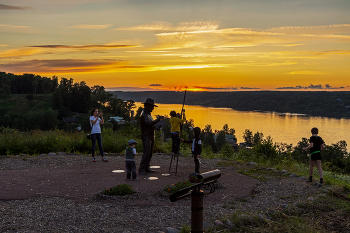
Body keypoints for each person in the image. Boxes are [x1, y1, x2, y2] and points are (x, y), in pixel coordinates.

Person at [139, 98, 162, 175]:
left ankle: (146, 167)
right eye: (151, 106)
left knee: (150, 153)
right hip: (146, 136)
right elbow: (148, 123)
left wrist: (157, 127)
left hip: (151, 136)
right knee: (146, 153)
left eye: (153, 106)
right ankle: (141, 169)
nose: (153, 108)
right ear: (146, 105)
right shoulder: (144, 114)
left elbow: (151, 125)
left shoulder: (149, 114)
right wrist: (157, 120)